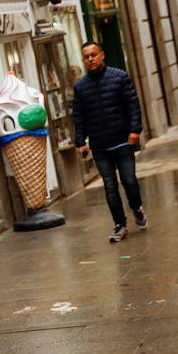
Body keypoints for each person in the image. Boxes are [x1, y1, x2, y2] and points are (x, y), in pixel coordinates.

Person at [71, 41, 146, 242]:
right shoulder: (80, 87)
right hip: (100, 146)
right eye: (86, 57)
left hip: (122, 141)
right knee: (110, 186)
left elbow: (133, 105)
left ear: (102, 55)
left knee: (129, 181)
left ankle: (137, 207)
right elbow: (78, 117)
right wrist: (80, 142)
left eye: (93, 55)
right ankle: (120, 225)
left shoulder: (120, 77)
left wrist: (134, 130)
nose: (90, 59)